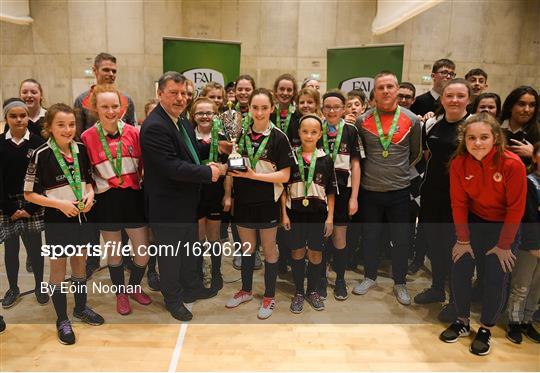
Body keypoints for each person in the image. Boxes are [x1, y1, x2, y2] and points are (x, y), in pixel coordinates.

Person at [440, 113, 527, 356]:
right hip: (474, 223)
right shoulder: (459, 163)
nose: (477, 143)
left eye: (484, 137)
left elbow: (516, 208)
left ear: (496, 138)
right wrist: (463, 240)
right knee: (460, 267)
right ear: (464, 140)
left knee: (495, 276)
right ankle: (462, 321)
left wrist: (504, 245)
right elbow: (459, 204)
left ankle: (486, 328)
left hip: (504, 227)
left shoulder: (512, 164)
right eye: (472, 138)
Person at [140, 71, 223, 322]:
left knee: (188, 250)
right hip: (167, 206)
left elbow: (190, 150)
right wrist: (208, 172)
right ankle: (173, 300)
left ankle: (191, 288)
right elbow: (172, 167)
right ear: (160, 94)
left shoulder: (181, 120)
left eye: (184, 93)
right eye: (173, 93)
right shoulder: (155, 126)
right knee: (170, 256)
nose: (180, 98)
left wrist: (216, 148)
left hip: (186, 203)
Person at [24, 103, 105, 345]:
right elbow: (29, 194)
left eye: (71, 124)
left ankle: (80, 308)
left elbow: (89, 182)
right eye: (61, 124)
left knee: (80, 264)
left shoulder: (80, 149)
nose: (68, 129)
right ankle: (62, 318)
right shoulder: (40, 155)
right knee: (58, 270)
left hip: (82, 218)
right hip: (57, 222)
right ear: (49, 127)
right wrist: (60, 205)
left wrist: (90, 196)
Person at [81, 84, 151, 316]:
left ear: (122, 107)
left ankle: (134, 287)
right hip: (107, 200)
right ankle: (121, 293)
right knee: (114, 252)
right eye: (105, 107)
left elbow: (143, 166)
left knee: (142, 251)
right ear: (95, 109)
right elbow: (86, 174)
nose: (111, 111)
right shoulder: (87, 137)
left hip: (133, 197)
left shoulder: (134, 132)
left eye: (115, 106)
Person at [354, 71, 422, 305]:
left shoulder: (412, 120)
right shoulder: (362, 120)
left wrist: (396, 171)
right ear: (374, 91)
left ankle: (400, 282)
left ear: (397, 89)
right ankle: (369, 276)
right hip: (369, 191)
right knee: (370, 237)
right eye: (380, 87)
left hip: (400, 191)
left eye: (390, 86)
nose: (385, 91)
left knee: (401, 239)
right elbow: (360, 156)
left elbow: (415, 154)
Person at [225, 88, 294, 319]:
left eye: (264, 107)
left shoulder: (279, 137)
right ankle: (245, 290)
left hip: (268, 203)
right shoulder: (240, 134)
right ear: (249, 109)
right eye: (255, 107)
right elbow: (233, 166)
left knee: (270, 251)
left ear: (272, 108)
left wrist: (255, 176)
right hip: (243, 202)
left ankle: (269, 296)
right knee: (247, 249)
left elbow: (285, 176)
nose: (260, 112)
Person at [414, 79, 472, 319]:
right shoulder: (432, 125)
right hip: (432, 197)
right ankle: (438, 289)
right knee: (436, 247)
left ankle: (457, 301)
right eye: (450, 96)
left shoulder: (473, 126)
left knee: (458, 251)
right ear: (442, 99)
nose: (455, 100)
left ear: (468, 99)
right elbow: (427, 156)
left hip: (462, 200)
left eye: (460, 96)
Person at [281, 115, 336, 313]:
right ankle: (298, 291)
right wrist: (284, 215)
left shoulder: (326, 160)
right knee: (297, 252)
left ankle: (312, 291)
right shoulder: (290, 157)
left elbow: (331, 191)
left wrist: (330, 218)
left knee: (315, 253)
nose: (309, 135)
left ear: (320, 134)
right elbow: (283, 189)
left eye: (314, 132)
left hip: (318, 214)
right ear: (299, 133)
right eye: (305, 131)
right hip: (294, 213)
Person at [0, 98, 47, 308]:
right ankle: (13, 287)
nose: (19, 120)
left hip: (32, 203)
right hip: (7, 205)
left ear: (28, 117)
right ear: (6, 119)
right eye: (13, 116)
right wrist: (10, 209)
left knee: (35, 249)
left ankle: (39, 285)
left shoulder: (38, 143)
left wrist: (29, 208)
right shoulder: (0, 144)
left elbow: (43, 178)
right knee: (10, 250)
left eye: (23, 115)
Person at [318, 90, 361, 300]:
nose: (332, 110)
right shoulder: (317, 129)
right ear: (322, 109)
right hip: (319, 189)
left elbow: (356, 164)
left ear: (343, 109)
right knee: (322, 235)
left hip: (343, 191)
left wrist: (354, 196)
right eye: (328, 107)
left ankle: (341, 278)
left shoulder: (351, 130)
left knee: (339, 236)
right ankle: (321, 277)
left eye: (336, 107)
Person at [190, 97, 231, 291]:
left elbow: (231, 170)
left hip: (216, 193)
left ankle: (216, 271)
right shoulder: (188, 137)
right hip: (195, 193)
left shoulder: (224, 137)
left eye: (209, 113)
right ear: (193, 115)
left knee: (214, 236)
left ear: (216, 115)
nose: (205, 116)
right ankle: (198, 271)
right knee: (198, 236)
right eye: (200, 113)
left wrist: (227, 195)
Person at [506, 141, 540, 344]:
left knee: (537, 286)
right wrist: (534, 244)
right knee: (522, 284)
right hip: (530, 244)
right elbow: (528, 216)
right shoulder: (529, 182)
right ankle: (515, 321)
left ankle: (528, 320)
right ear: (535, 156)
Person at [74, 52, 136, 137]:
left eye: (114, 71)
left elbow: (132, 132)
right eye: (106, 70)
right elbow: (78, 135)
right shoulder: (81, 100)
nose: (111, 74)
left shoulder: (127, 99)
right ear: (95, 70)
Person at [141, 98, 160, 291]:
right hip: (138, 189)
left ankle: (153, 270)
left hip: (156, 191)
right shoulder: (140, 134)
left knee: (154, 235)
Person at [500, 86, 539, 167]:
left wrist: (533, 154)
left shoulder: (538, 131)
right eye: (522, 104)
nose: (527, 110)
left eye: (532, 105)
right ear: (510, 106)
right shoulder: (495, 127)